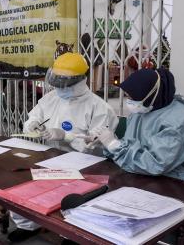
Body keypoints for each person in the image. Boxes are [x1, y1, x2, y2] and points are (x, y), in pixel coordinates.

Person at [8, 53, 119, 243]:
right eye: (57, 85)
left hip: (85, 166)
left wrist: (65, 136)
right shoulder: (52, 97)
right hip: (50, 158)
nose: (60, 90)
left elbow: (93, 145)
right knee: (22, 188)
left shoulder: (99, 108)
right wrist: (32, 123)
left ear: (81, 81)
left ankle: (70, 234)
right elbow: (34, 116)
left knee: (70, 202)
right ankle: (28, 226)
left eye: (64, 86)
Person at [92, 68, 184, 185]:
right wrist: (107, 144)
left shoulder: (178, 121)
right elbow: (132, 148)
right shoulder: (144, 110)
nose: (129, 101)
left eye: (132, 97)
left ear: (151, 95)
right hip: (141, 176)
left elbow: (155, 164)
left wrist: (114, 145)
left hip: (176, 183)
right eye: (127, 96)